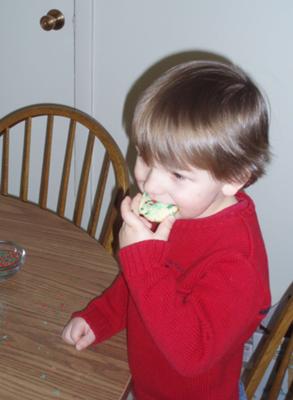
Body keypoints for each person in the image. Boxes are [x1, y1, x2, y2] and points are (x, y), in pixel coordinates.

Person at [62, 60, 271, 400]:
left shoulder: (238, 262)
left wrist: (143, 260)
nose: (150, 184)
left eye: (178, 175)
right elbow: (140, 284)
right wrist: (100, 317)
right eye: (145, 156)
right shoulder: (179, 205)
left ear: (233, 178)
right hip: (144, 382)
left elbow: (192, 355)